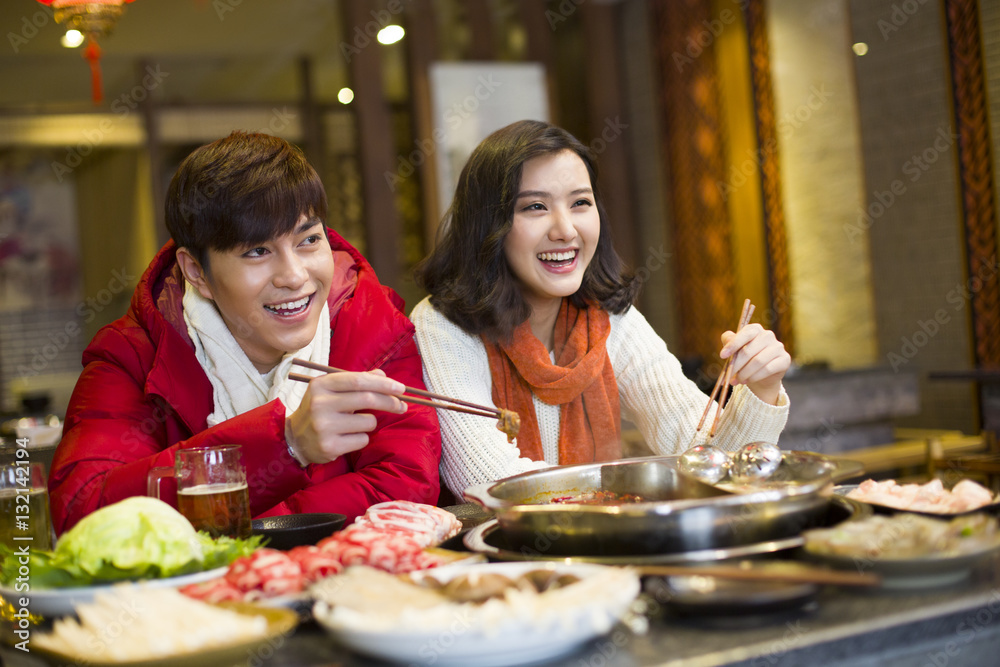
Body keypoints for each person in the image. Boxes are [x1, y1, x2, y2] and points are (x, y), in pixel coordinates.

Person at [49, 131, 441, 533]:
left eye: (308, 240)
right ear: (196, 272)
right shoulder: (132, 355)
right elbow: (83, 512)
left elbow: (407, 488)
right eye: (257, 251)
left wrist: (240, 527)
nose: (294, 276)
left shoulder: (373, 324)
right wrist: (287, 443)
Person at [411, 120, 791, 498]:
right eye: (535, 206)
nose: (565, 230)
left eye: (580, 203)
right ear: (486, 225)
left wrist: (762, 390)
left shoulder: (608, 320)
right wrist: (619, 494)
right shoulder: (444, 325)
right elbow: (489, 481)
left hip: (601, 541)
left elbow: (709, 464)